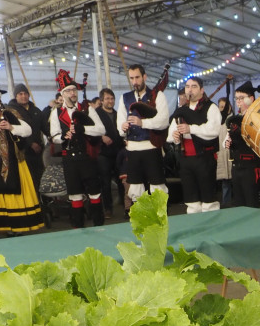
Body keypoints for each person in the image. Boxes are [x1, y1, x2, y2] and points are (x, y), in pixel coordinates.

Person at [0, 80, 44, 233]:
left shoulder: (9, 112)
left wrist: (11, 127)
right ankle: (0, 223)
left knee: (14, 187)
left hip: (12, 156)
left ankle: (18, 222)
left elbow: (27, 130)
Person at [50, 69, 107, 227]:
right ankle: (78, 230)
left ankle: (99, 226)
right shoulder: (56, 113)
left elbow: (101, 130)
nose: (72, 93)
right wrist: (64, 137)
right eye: (68, 90)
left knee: (94, 193)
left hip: (87, 156)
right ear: (62, 94)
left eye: (74, 89)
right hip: (69, 158)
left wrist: (83, 130)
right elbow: (54, 136)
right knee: (75, 195)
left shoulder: (87, 108)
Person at [117, 64, 170, 205]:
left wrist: (143, 123)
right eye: (132, 78)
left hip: (152, 147)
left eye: (137, 77)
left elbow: (164, 121)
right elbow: (120, 122)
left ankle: (160, 223)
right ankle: (142, 223)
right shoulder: (125, 98)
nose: (135, 82)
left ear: (144, 77)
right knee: (136, 189)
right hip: (133, 149)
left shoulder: (158, 95)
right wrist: (123, 127)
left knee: (157, 188)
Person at [168, 77, 221, 213]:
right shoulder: (182, 109)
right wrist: (175, 137)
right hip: (186, 159)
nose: (189, 89)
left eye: (194, 86)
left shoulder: (211, 107)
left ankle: (211, 229)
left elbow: (213, 131)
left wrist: (191, 129)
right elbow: (170, 133)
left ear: (202, 90)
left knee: (208, 200)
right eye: (187, 86)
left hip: (205, 158)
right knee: (191, 201)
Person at [225, 80, 260, 209]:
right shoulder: (235, 118)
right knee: (239, 203)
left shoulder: (259, 117)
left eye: (242, 98)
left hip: (252, 167)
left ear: (251, 98)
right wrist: (227, 142)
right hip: (237, 166)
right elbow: (228, 136)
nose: (238, 101)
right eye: (237, 98)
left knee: (252, 202)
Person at [8, 83, 46, 197]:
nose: (23, 96)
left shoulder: (36, 110)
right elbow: (14, 130)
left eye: (25, 93)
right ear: (16, 96)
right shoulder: (11, 112)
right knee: (28, 178)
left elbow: (44, 127)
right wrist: (30, 143)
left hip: (39, 150)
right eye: (20, 94)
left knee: (40, 175)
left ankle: (43, 200)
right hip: (22, 150)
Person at [96, 88, 123, 219]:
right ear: (101, 101)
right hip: (103, 153)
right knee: (105, 183)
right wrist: (101, 137)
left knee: (121, 180)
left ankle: (126, 206)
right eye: (107, 98)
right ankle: (107, 208)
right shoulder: (96, 114)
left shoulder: (118, 114)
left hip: (118, 152)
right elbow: (90, 131)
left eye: (112, 98)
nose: (110, 101)